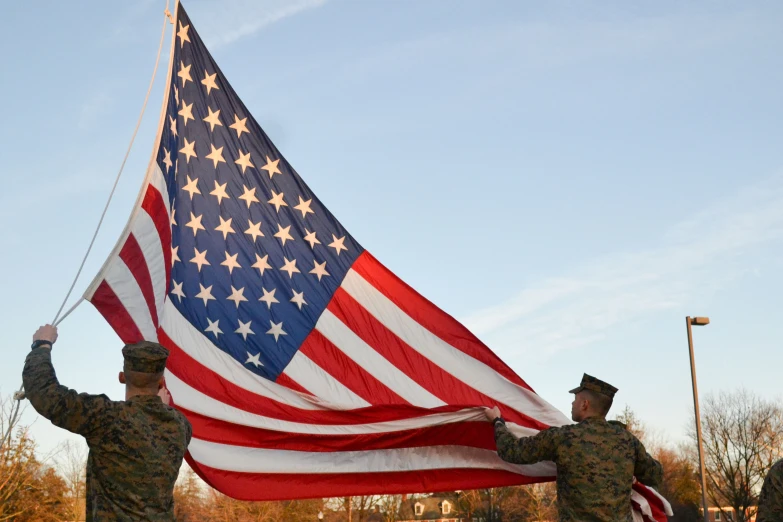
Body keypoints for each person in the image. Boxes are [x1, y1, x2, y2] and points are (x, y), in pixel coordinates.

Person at [23, 324, 192, 521]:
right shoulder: (179, 425)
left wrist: (42, 345)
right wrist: (162, 407)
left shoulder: (107, 418)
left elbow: (46, 395)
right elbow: (155, 422)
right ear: (161, 382)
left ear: (122, 377)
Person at [485, 373, 662, 522]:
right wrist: (631, 472)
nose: (572, 403)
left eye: (575, 399)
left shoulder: (564, 437)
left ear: (585, 404)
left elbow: (512, 451)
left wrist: (497, 422)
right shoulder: (627, 441)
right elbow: (656, 475)